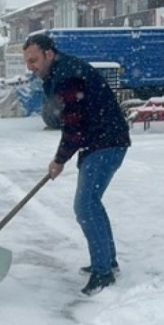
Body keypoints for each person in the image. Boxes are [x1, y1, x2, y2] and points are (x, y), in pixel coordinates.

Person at [22, 33, 131, 296]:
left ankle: (103, 274)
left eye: (34, 60)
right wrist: (63, 156)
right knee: (92, 202)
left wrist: (60, 160)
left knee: (85, 205)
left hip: (106, 142)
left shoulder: (67, 76)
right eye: (27, 62)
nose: (30, 67)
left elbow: (74, 125)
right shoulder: (60, 72)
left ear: (49, 54)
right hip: (101, 141)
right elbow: (75, 124)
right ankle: (107, 262)